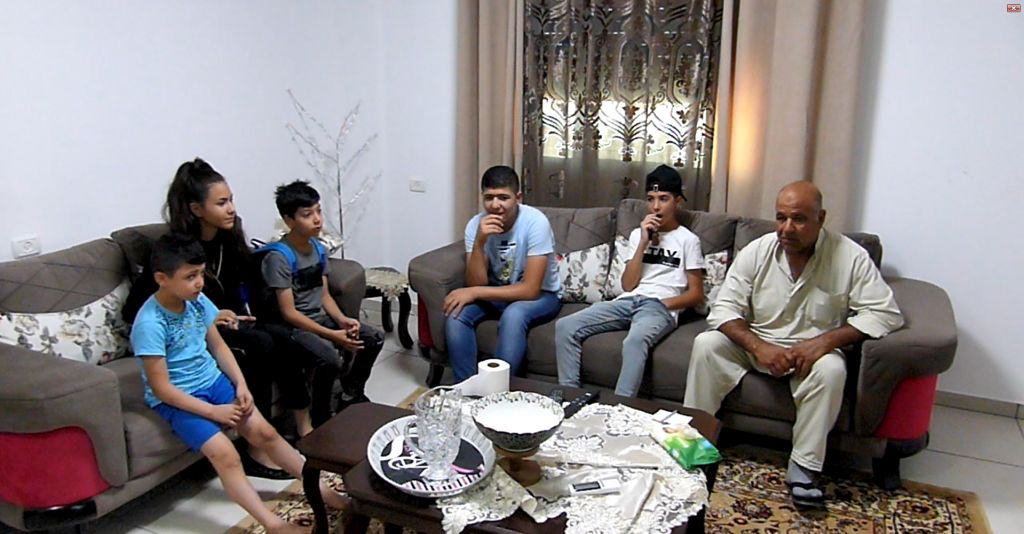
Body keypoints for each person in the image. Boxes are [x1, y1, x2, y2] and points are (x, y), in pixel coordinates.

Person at [683, 181, 904, 507]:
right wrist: (759, 347)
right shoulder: (758, 250)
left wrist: (824, 343)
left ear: (821, 218)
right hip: (757, 343)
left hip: (810, 355)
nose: (787, 228)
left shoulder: (850, 257)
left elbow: (885, 313)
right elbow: (724, 308)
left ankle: (803, 468)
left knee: (832, 369)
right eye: (781, 217)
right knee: (707, 344)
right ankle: (693, 442)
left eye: (798, 219)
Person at [130, 234, 348, 534]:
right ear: (161, 279)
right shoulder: (149, 324)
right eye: (190, 277)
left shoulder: (197, 301)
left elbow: (218, 348)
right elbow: (161, 389)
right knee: (226, 455)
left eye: (201, 274)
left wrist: (241, 385)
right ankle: (273, 524)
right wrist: (213, 413)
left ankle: (321, 490)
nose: (199, 283)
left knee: (265, 433)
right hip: (179, 397)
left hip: (214, 381)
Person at [123, 158, 295, 478]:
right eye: (222, 202)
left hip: (222, 321)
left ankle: (288, 426)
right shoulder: (176, 250)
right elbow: (135, 309)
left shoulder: (226, 237)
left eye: (231, 200)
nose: (231, 209)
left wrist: (230, 312)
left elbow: (232, 284)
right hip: (188, 331)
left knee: (280, 333)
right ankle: (253, 450)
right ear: (196, 209)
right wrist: (208, 317)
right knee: (259, 344)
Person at [555, 165, 704, 397]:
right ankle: (569, 398)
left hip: (659, 307)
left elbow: (696, 294)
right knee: (565, 326)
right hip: (629, 299)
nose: (656, 206)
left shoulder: (688, 240)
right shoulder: (637, 235)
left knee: (634, 342)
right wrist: (644, 241)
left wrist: (663, 304)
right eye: (651, 199)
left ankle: (620, 409)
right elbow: (628, 285)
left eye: (663, 199)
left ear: (678, 202)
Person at [261, 180, 384, 427]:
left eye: (318, 211)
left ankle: (350, 394)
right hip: (295, 327)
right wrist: (332, 334)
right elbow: (288, 313)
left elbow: (324, 295)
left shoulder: (318, 249)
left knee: (373, 338)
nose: (317, 219)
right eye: (307, 215)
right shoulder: (279, 257)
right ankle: (320, 414)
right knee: (329, 357)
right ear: (289, 220)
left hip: (321, 318)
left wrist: (343, 320)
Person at [443, 165, 562, 381]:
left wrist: (475, 293)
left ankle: (496, 391)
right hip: (496, 293)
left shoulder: (536, 223)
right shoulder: (475, 225)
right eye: (489, 198)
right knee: (456, 313)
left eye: (503, 198)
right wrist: (479, 242)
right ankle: (466, 390)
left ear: (518, 197)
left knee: (514, 314)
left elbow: (530, 289)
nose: (495, 205)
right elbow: (475, 282)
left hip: (543, 295)